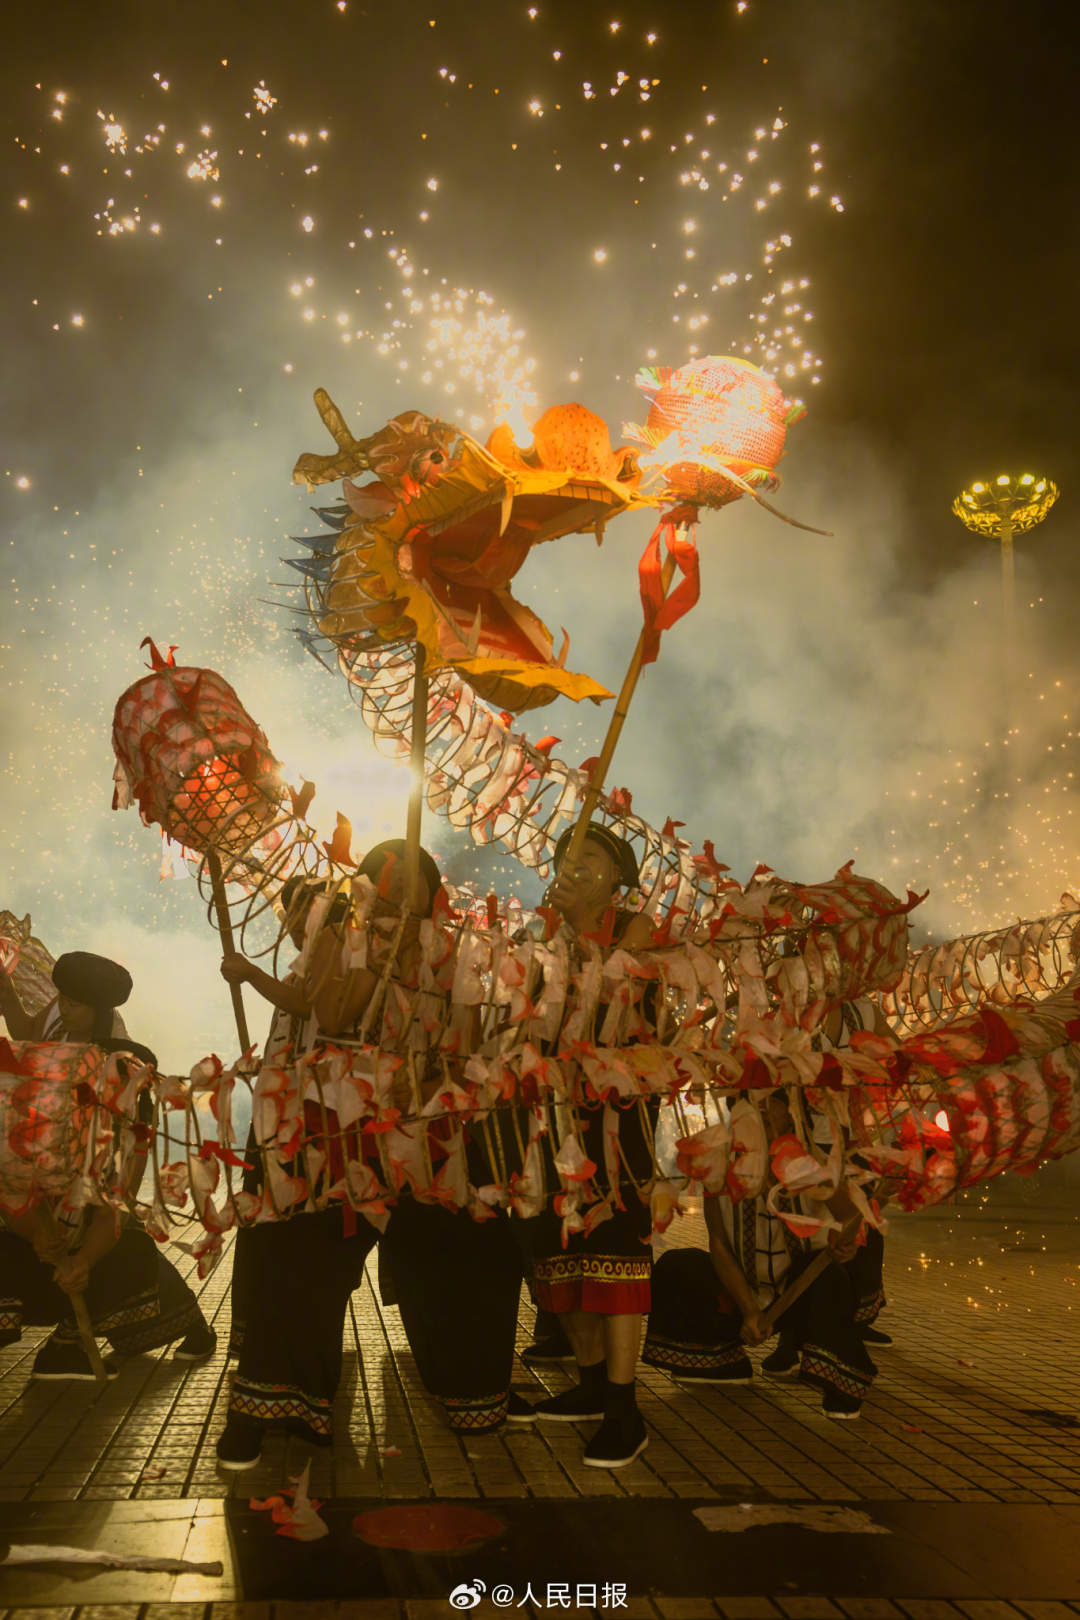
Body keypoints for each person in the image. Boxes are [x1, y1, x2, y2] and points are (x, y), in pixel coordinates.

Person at [319, 840, 533, 1436]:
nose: (397, 893)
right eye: (384, 882)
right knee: (351, 1250)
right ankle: (314, 1386)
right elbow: (332, 1022)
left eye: (411, 881)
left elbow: (468, 1045)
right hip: (360, 1125)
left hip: (439, 1124)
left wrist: (437, 1084)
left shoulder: (455, 955)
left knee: (470, 1249)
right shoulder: (347, 945)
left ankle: (477, 1384)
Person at [0, 951, 214, 1374]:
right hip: (43, 1162)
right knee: (42, 1243)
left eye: (73, 1004)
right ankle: (75, 1341)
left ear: (99, 1010)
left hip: (94, 1163)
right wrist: (6, 991)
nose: (63, 1008)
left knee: (118, 1242)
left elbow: (121, 1163)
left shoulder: (116, 1062)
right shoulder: (61, 1011)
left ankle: (75, 1340)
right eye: (61, 998)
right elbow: (28, 1036)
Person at [522, 822, 657, 1469]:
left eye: (590, 859)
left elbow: (610, 998)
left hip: (616, 1113)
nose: (573, 870)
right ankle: (593, 1382)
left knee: (613, 1251)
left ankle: (625, 1408)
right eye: (565, 860)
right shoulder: (544, 933)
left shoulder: (637, 928)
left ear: (617, 875)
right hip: (553, 1112)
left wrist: (572, 930)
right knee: (558, 1253)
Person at [643, 1089, 877, 1419]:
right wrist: (750, 1310)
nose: (761, 1111)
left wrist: (845, 1244)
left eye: (771, 1103)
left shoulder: (811, 1162)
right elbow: (719, 1242)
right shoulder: (719, 1163)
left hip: (799, 1293)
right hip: (742, 1292)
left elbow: (851, 1219)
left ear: (792, 1112)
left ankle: (838, 1383)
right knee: (678, 1266)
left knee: (828, 1277)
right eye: (751, 1104)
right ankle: (722, 1363)